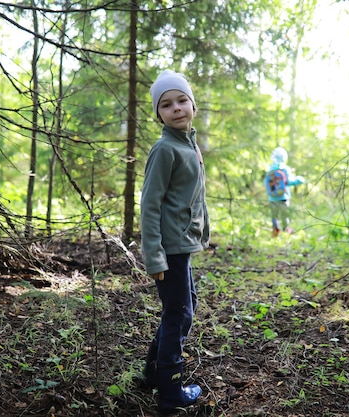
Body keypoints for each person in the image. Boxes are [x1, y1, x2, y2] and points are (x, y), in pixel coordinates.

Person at [140, 70, 210, 413]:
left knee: (183, 307)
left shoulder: (189, 144)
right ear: (159, 114)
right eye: (166, 104)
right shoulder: (165, 149)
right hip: (169, 249)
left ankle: (152, 375)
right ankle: (170, 393)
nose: (176, 108)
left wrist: (203, 232)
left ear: (192, 104)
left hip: (183, 244)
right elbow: (150, 204)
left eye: (182, 100)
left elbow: (193, 198)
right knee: (179, 315)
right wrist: (154, 257)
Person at [263, 147, 304, 236]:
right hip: (283, 197)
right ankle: (286, 229)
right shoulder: (285, 168)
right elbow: (289, 181)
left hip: (272, 197)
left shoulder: (270, 169)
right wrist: (299, 180)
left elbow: (265, 183)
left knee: (274, 215)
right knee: (284, 214)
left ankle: (275, 230)